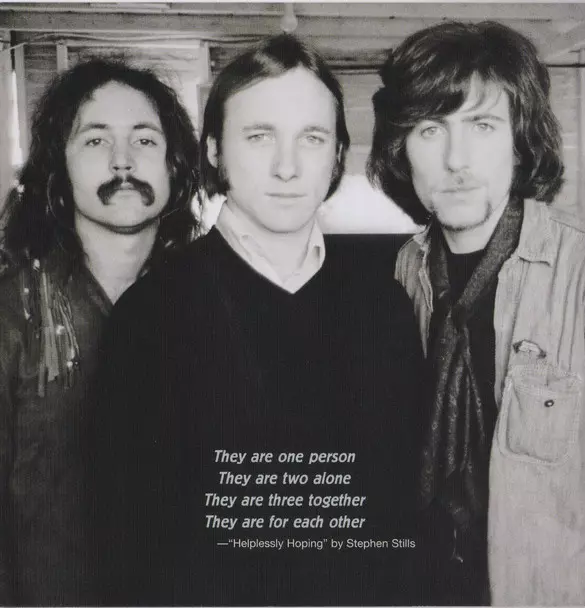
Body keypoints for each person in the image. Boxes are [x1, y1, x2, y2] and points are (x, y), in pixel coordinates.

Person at [92, 34, 427, 606]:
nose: (287, 167)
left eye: (312, 138)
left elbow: (399, 522)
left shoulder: (385, 307)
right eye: (259, 136)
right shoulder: (150, 317)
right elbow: (129, 549)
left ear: (337, 155)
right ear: (215, 151)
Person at [367, 20, 585, 606]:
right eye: (430, 129)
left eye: (483, 125)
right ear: (402, 150)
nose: (456, 159)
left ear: (520, 142)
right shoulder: (405, 269)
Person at [0, 58, 199, 605]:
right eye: (95, 141)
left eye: (145, 140)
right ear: (57, 168)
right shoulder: (13, 311)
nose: (122, 160)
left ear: (176, 165)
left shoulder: (211, 308)